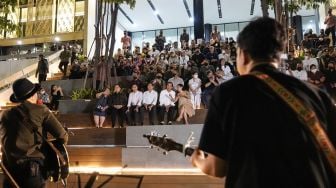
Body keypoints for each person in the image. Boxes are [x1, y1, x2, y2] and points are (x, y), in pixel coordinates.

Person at [191, 17, 336, 188]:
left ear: (243, 55)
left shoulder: (228, 93)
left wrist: (197, 160)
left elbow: (217, 167)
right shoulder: (317, 95)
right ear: (278, 55)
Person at [0, 78, 68, 187]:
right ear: (32, 95)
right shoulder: (41, 110)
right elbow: (62, 136)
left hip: (9, 172)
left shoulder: (4, 114)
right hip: (32, 172)